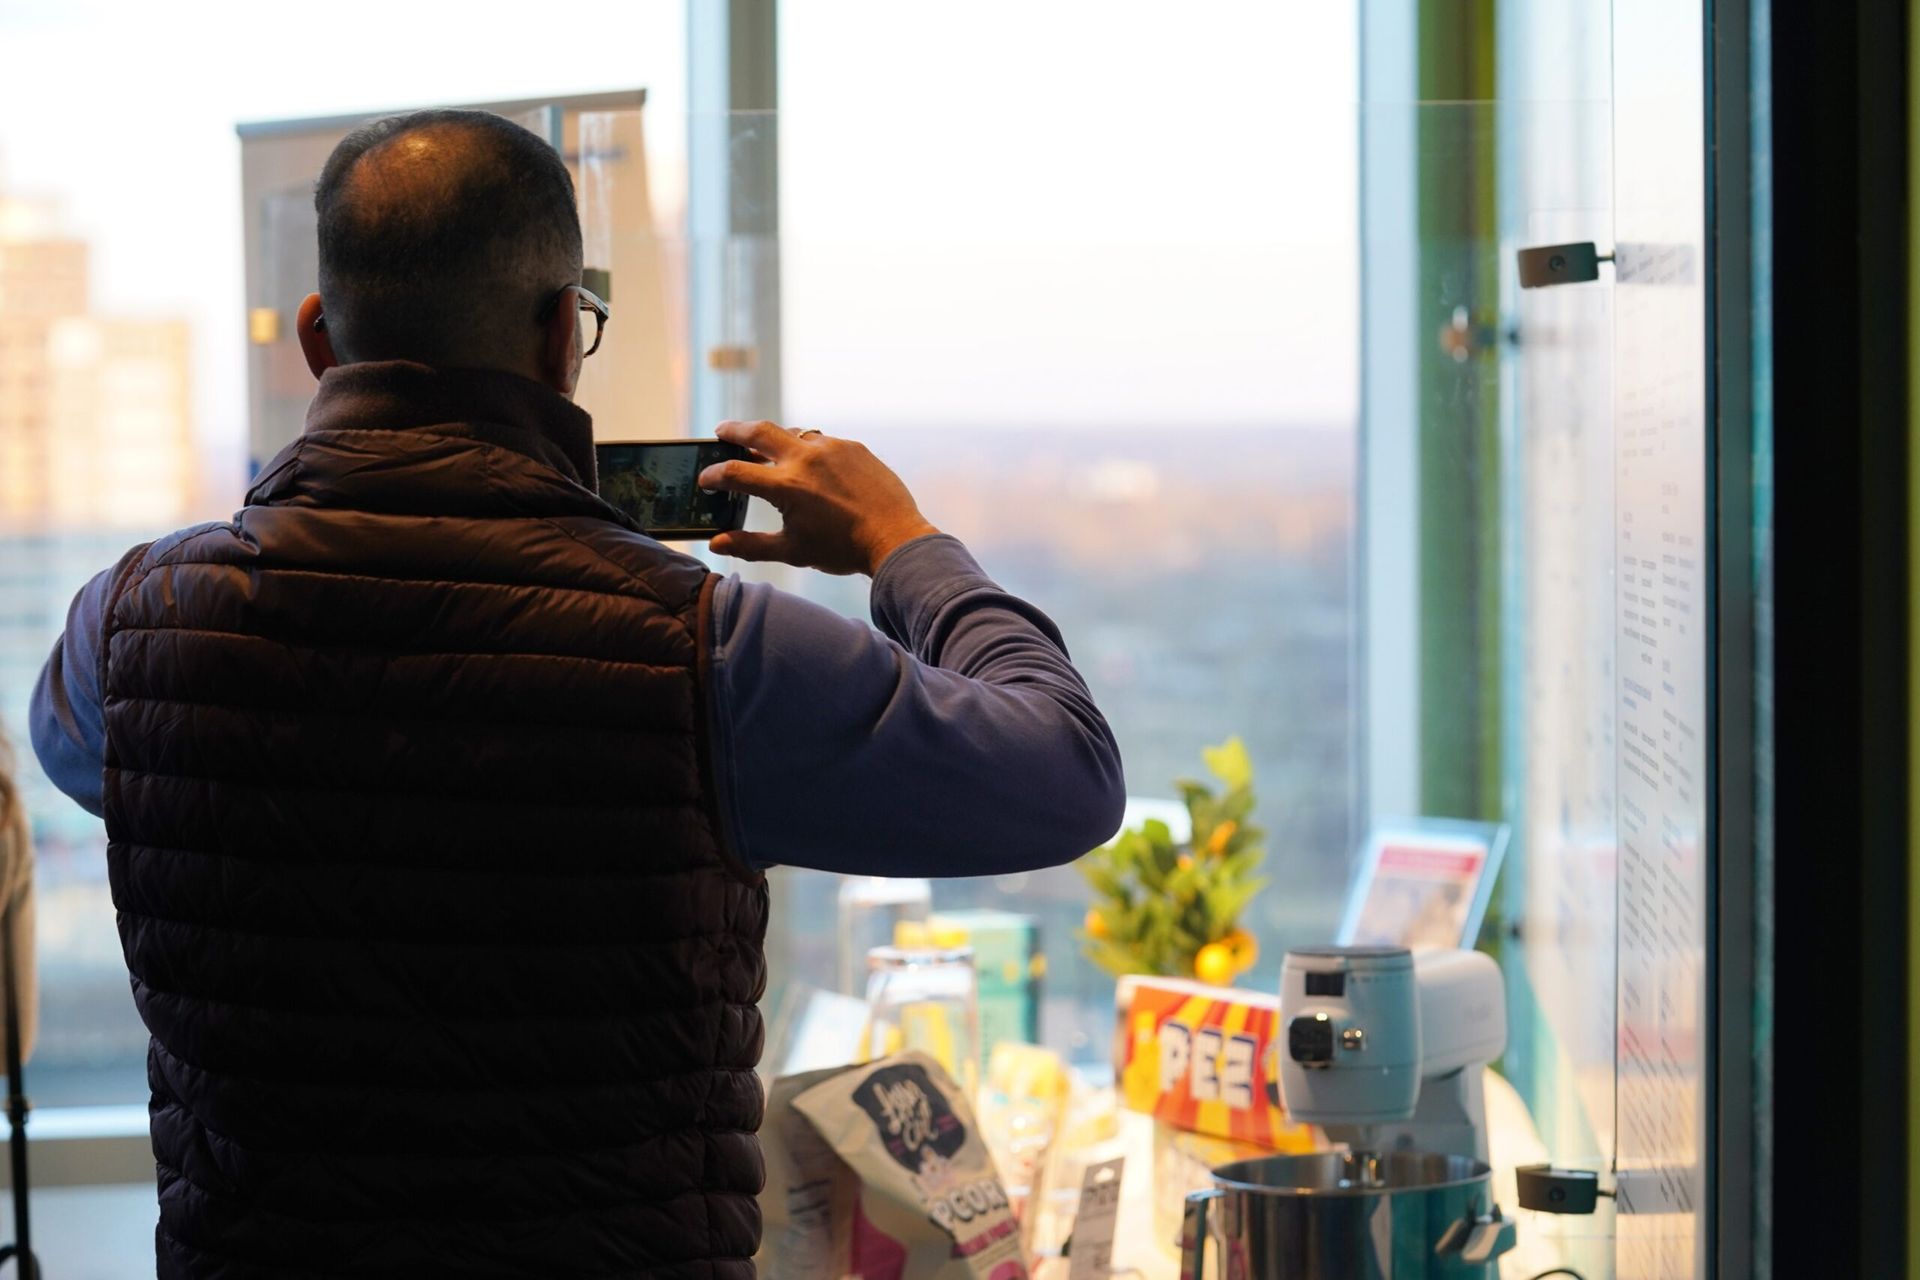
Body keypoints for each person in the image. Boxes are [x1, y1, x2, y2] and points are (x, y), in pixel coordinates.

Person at [29, 109, 1122, 1277]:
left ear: (316, 338)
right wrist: (904, 545)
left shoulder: (127, 626)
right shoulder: (706, 652)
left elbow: (83, 757)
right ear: (564, 335)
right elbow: (1064, 774)